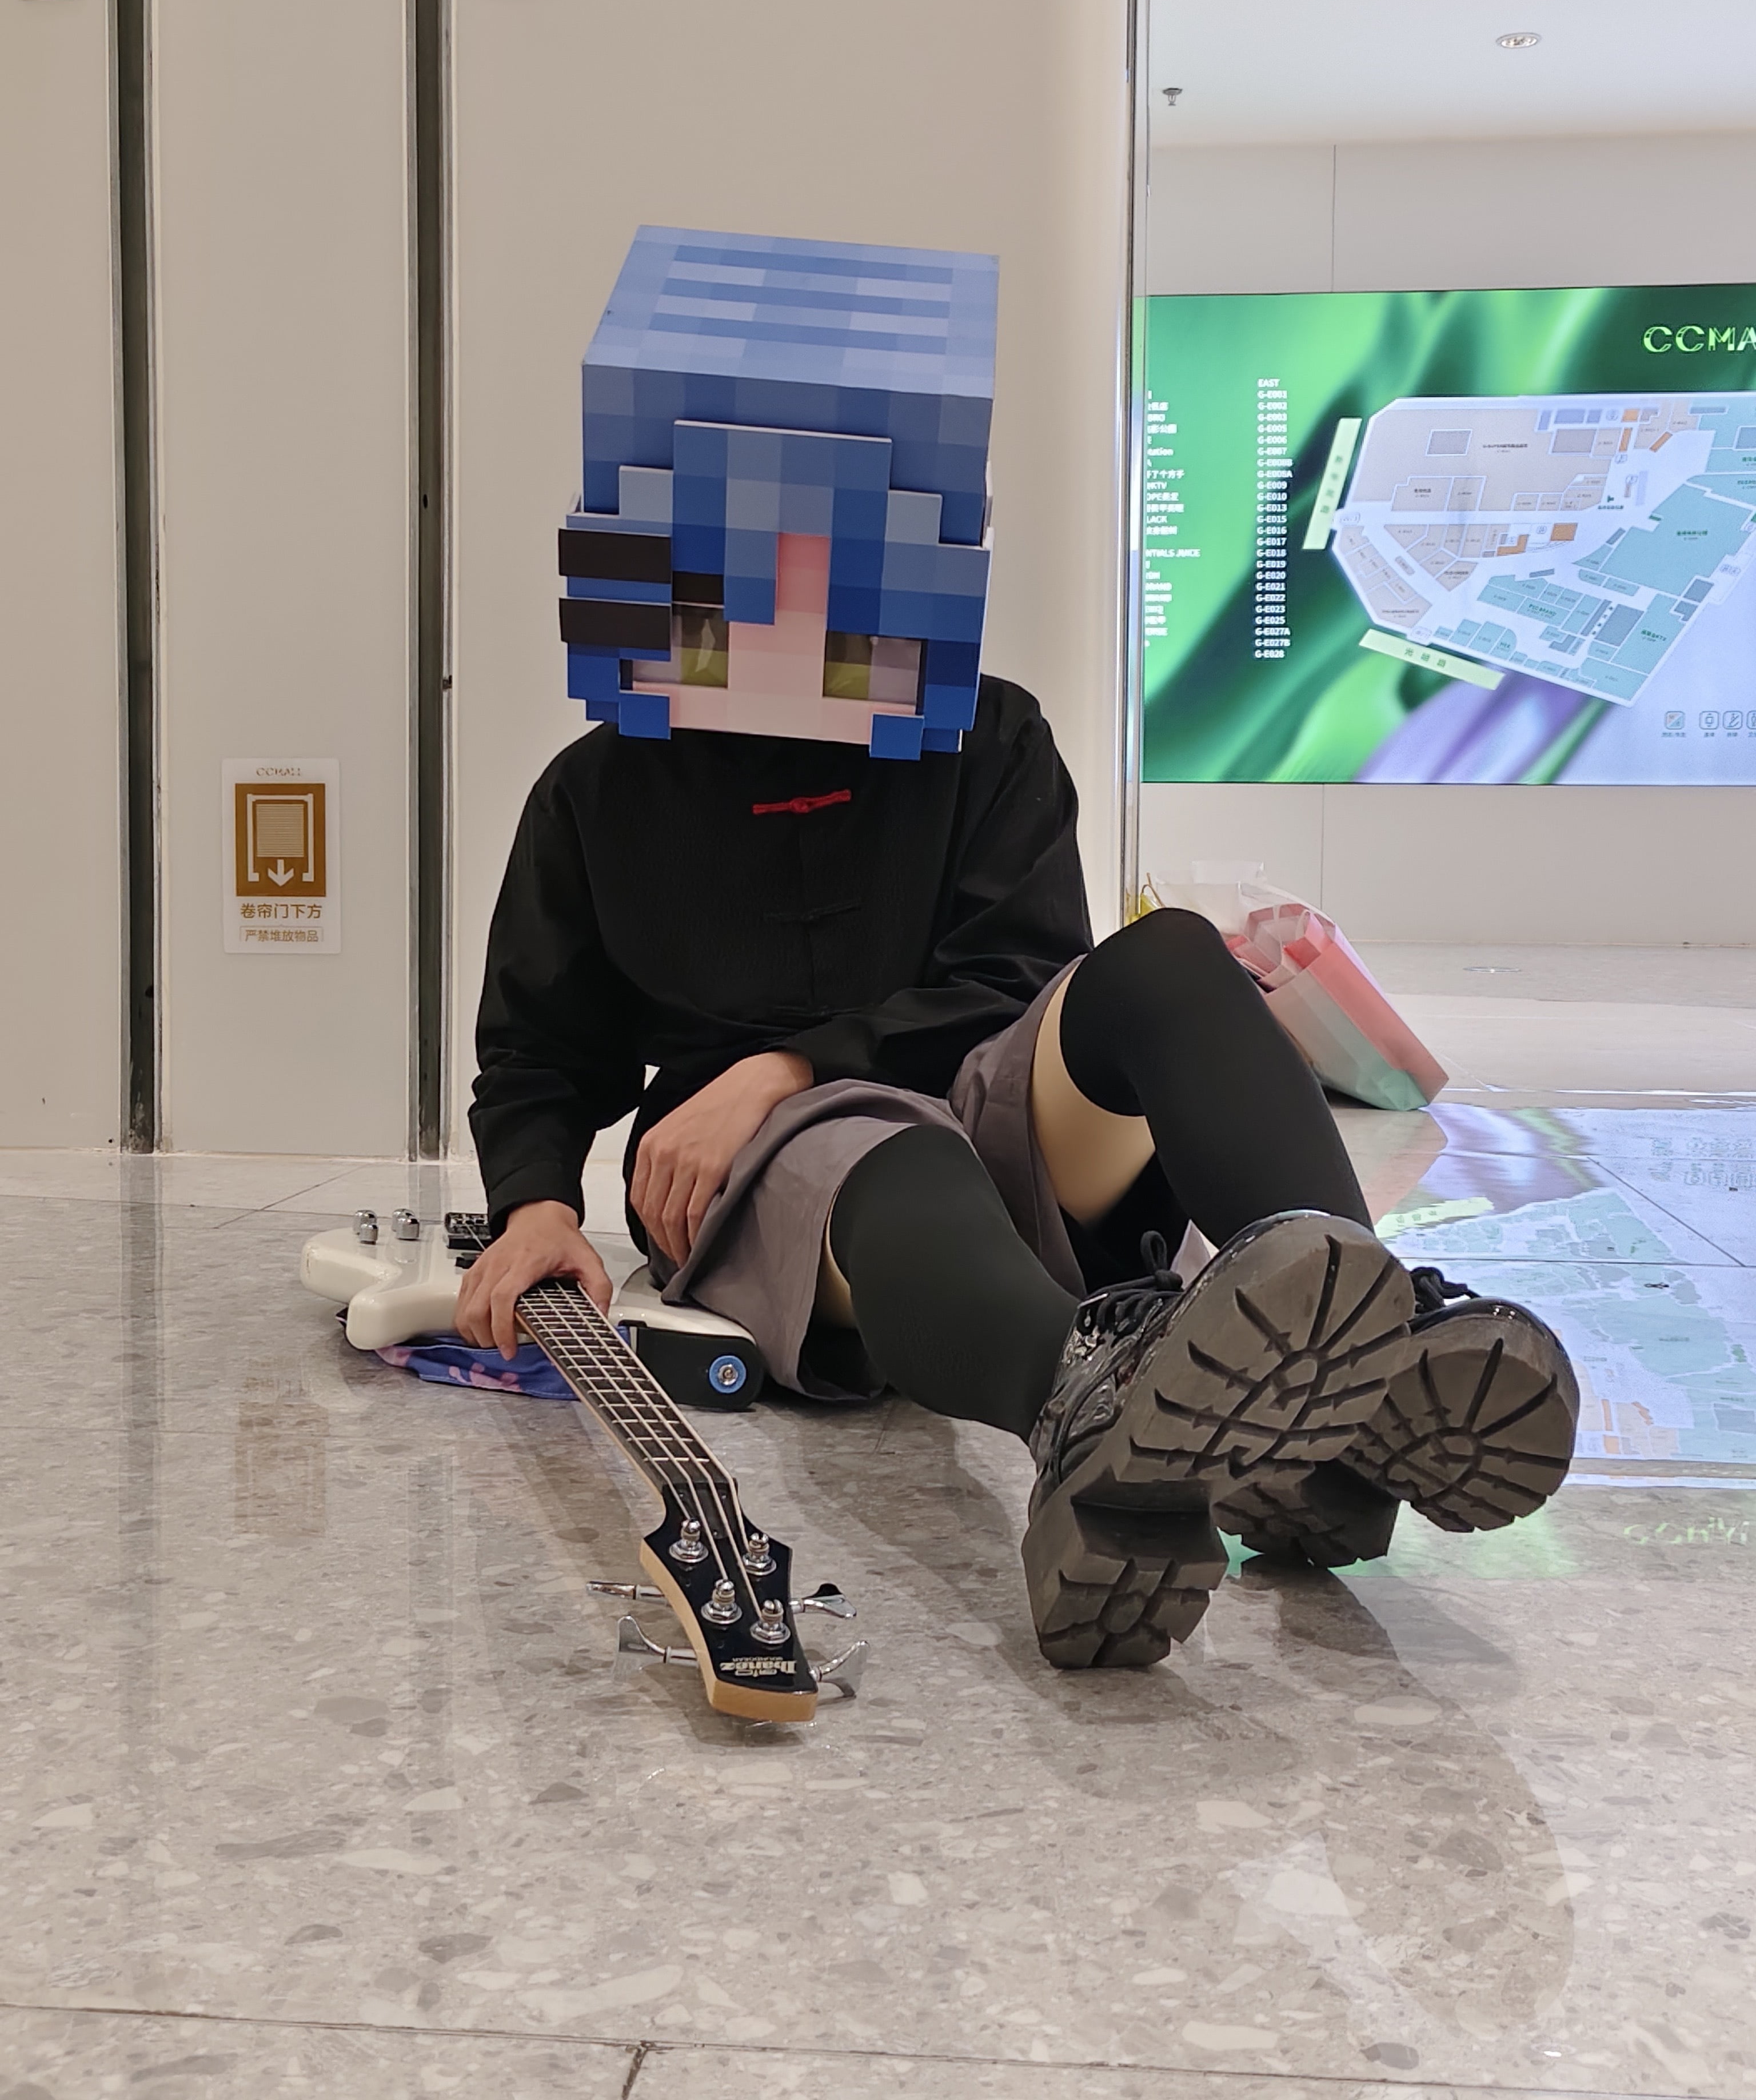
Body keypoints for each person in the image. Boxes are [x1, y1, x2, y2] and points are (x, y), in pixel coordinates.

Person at [455, 672, 1580, 1668]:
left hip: (968, 1078)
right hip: (750, 1154)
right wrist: (536, 1206)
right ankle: (1090, 1406)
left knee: (1173, 958)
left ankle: (1373, 1340)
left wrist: (792, 1059)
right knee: (879, 1144)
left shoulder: (987, 731)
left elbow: (1016, 975)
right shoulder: (598, 786)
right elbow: (539, 1049)